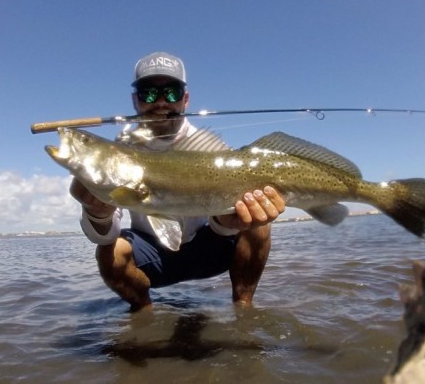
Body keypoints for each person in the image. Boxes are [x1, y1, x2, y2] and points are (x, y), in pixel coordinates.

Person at [70, 52, 286, 311]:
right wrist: (97, 212)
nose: (160, 103)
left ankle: (243, 310)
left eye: (171, 92)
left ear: (185, 98)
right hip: (153, 252)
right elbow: (104, 233)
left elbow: (224, 221)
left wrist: (226, 223)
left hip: (209, 247)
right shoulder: (120, 150)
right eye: (148, 93)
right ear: (135, 100)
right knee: (109, 251)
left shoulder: (209, 148)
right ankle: (144, 313)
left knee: (258, 223)